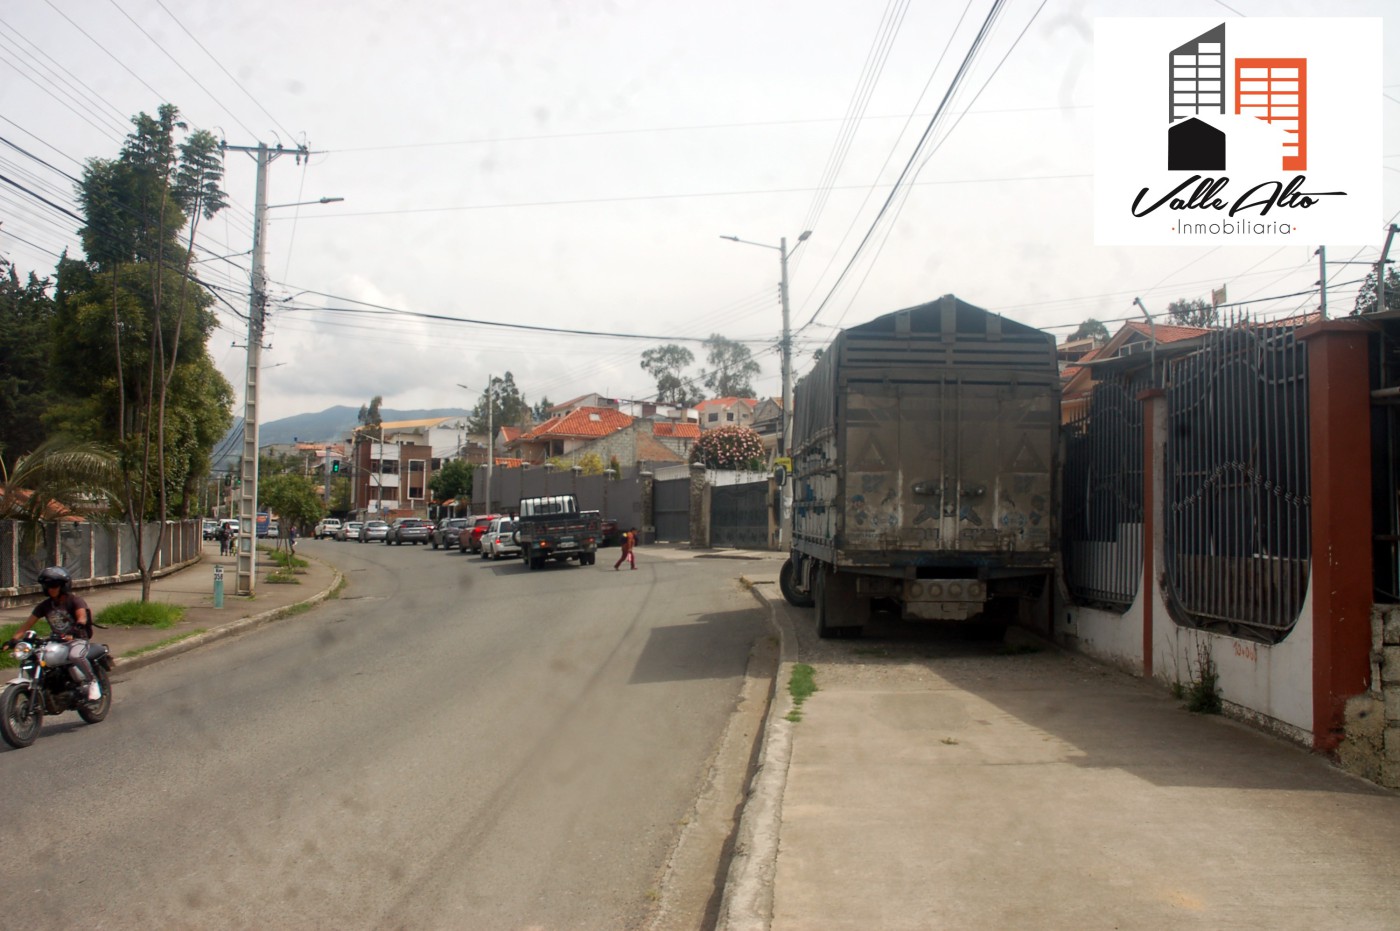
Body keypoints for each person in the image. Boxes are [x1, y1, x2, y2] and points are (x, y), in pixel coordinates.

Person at [9, 566, 100, 701]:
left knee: (75, 655)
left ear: (63, 586)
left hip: (77, 639)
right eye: (48, 586)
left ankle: (92, 681)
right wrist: (13, 640)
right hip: (58, 641)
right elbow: (27, 624)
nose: (51, 589)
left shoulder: (74, 600)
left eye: (54, 585)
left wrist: (78, 626)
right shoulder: (45, 606)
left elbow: (82, 617)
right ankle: (46, 689)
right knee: (35, 657)